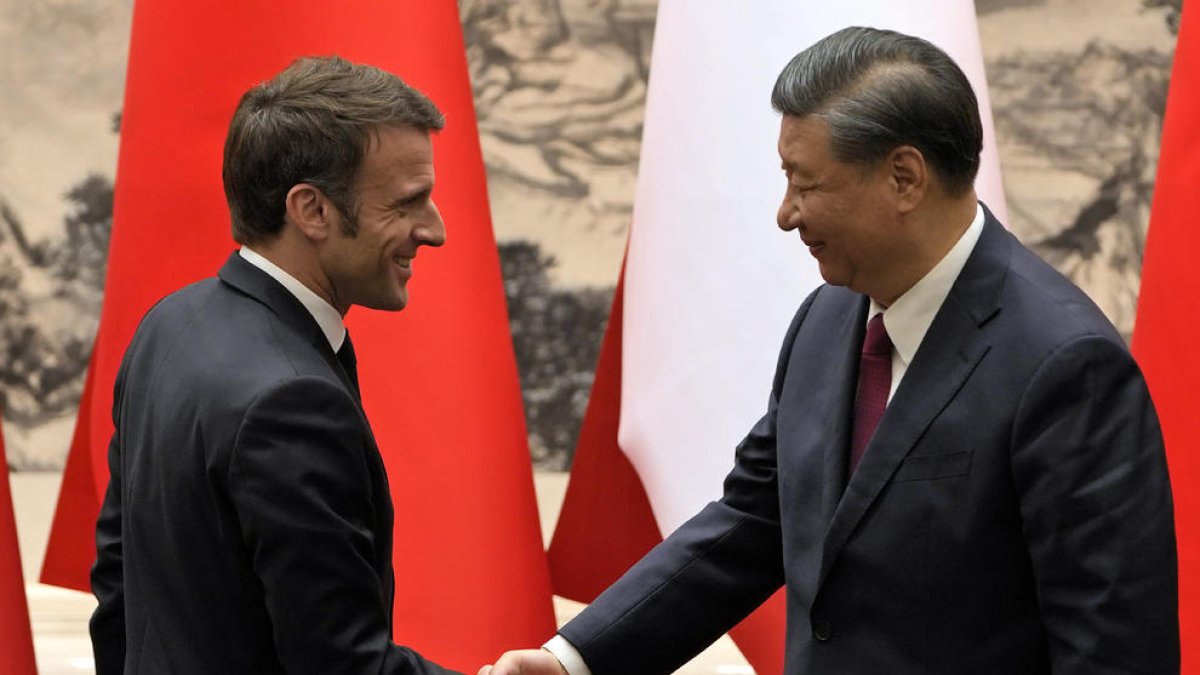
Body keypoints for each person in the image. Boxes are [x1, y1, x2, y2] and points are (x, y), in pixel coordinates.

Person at [481, 26, 1179, 675]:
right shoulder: (826, 319)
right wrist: (577, 659)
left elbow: (1113, 650)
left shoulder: (1065, 365)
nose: (786, 214)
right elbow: (754, 523)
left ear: (904, 178)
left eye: (806, 184)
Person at [89, 56, 462, 675]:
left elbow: (118, 589)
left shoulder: (169, 324)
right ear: (311, 210)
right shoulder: (290, 402)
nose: (435, 229)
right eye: (407, 203)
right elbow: (341, 666)